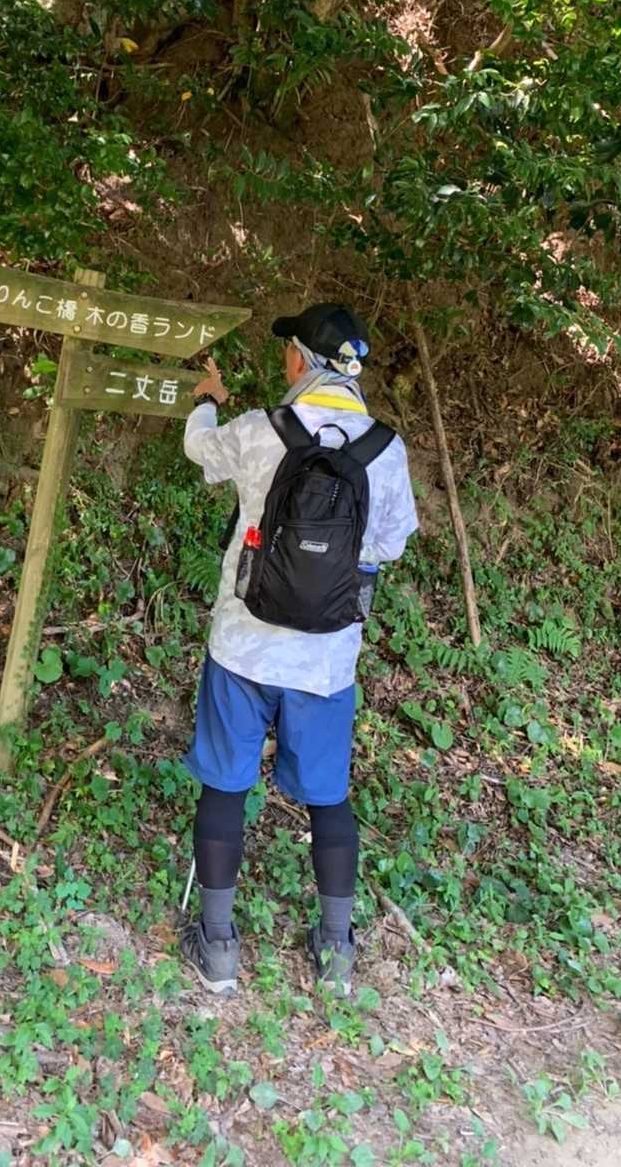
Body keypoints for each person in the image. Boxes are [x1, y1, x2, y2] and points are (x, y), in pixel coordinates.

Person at [178, 303, 418, 997]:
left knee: (226, 784)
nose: (284, 357)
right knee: (328, 797)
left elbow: (201, 451)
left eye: (289, 348)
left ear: (302, 361)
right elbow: (390, 543)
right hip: (326, 659)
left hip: (244, 646)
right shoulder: (385, 448)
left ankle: (218, 947)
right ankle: (336, 952)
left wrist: (206, 399)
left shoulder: (263, 429)